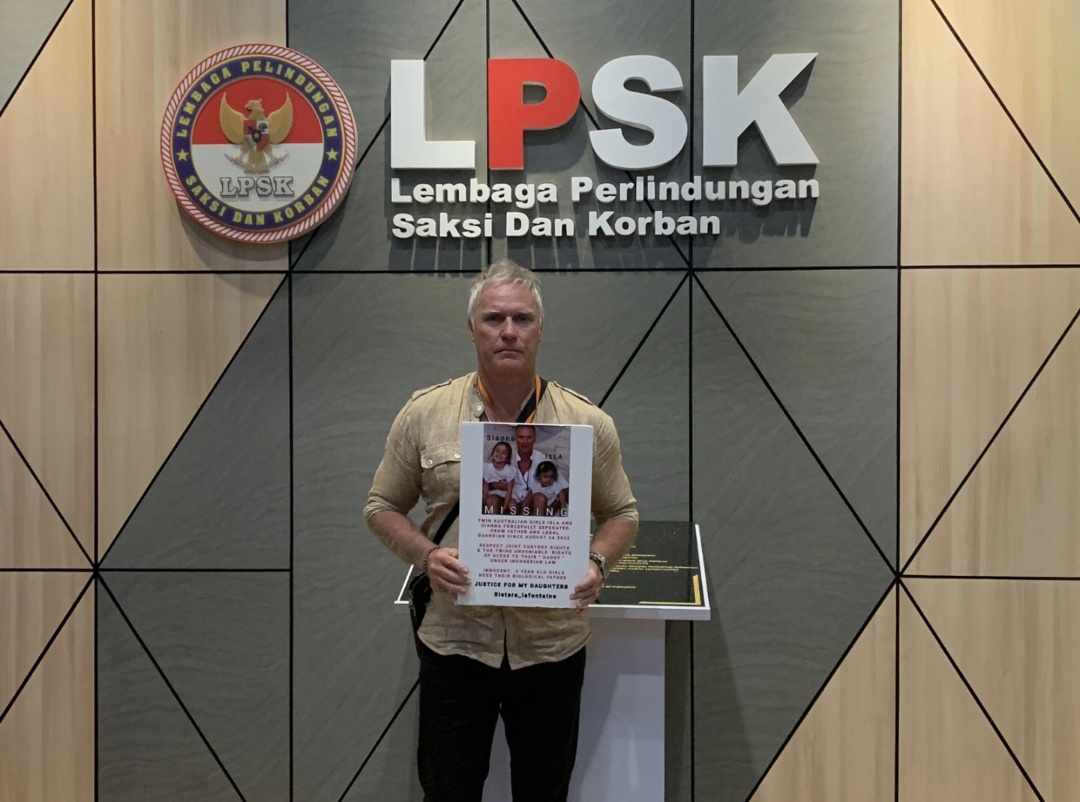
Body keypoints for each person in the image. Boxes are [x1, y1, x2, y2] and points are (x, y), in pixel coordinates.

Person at [364, 259, 638, 802]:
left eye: (522, 319)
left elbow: (622, 514)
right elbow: (381, 506)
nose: (508, 331)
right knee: (448, 792)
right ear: (472, 328)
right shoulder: (424, 414)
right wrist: (426, 556)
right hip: (455, 642)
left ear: (541, 329)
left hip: (551, 646)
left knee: (544, 792)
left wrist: (596, 563)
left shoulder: (587, 422)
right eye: (493, 319)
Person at [507, 424, 546, 514]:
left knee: (540, 499)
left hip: (533, 503)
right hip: (511, 501)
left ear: (535, 438)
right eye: (521, 437)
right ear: (515, 437)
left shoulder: (542, 459)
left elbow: (559, 486)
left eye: (529, 437)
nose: (525, 442)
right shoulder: (507, 456)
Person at [482, 440, 517, 514]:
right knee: (492, 501)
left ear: (507, 457)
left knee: (513, 505)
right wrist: (485, 502)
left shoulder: (509, 470)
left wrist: (504, 508)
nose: (499, 454)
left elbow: (509, 491)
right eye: (497, 451)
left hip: (506, 497)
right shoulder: (487, 468)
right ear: (492, 453)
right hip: (492, 496)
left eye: (504, 453)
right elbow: (485, 487)